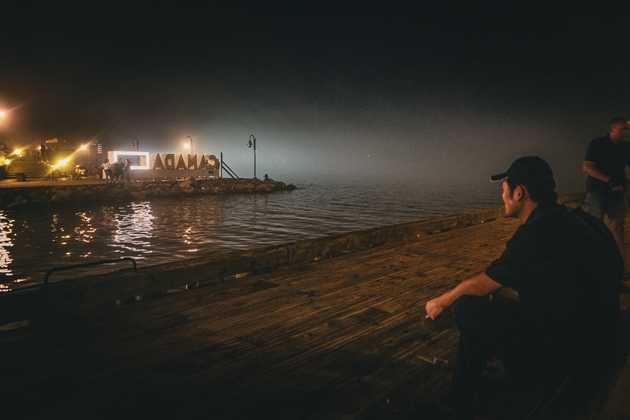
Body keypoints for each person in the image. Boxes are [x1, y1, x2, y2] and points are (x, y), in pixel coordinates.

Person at [425, 156, 621, 419]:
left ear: (520, 193)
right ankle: (505, 364)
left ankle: (460, 399)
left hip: (571, 351)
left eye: (504, 190)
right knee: (502, 299)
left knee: (470, 307)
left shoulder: (536, 233)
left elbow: (483, 284)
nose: (502, 196)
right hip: (602, 334)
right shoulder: (582, 221)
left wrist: (440, 301)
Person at [582, 116, 630, 264]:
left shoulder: (626, 146)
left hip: (617, 191)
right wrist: (609, 180)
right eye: (624, 129)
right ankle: (591, 262)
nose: (627, 132)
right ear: (612, 129)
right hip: (597, 190)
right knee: (593, 226)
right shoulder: (598, 144)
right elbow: (587, 167)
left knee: (617, 227)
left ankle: (623, 265)